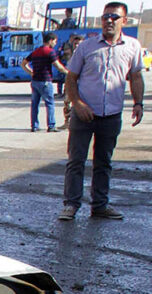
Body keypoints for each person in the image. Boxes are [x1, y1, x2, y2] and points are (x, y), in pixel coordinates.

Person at [59, 2, 143, 220]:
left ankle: (100, 205)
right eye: (106, 16)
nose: (109, 21)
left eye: (114, 17)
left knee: (103, 162)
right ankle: (71, 205)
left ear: (124, 21)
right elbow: (71, 77)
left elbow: (135, 76)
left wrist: (138, 103)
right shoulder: (86, 47)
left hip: (111, 115)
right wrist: (77, 104)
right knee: (76, 160)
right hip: (84, 114)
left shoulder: (132, 47)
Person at [22, 32, 67, 132]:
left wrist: (31, 72)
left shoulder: (36, 51)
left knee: (34, 104)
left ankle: (34, 126)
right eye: (55, 41)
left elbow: (23, 63)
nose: (55, 44)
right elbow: (58, 66)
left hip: (35, 81)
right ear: (50, 41)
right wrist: (69, 73)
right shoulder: (50, 52)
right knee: (50, 104)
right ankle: (51, 126)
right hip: (46, 82)